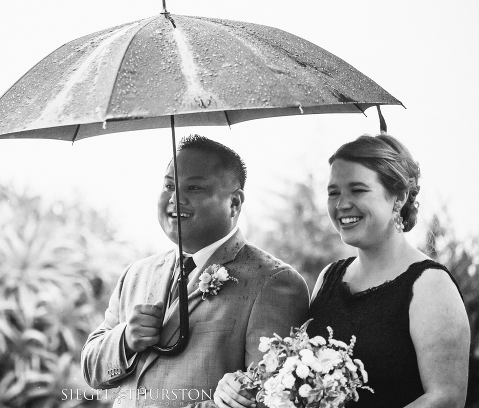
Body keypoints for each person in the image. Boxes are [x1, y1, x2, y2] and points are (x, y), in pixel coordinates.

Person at [212, 133, 470, 408]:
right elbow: (296, 379)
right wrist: (241, 385)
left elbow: (446, 398)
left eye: (357, 190)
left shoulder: (430, 285)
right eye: (333, 192)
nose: (341, 204)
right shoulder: (330, 277)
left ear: (399, 197)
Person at [81, 135, 309, 407]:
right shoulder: (136, 275)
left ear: (234, 203)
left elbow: (272, 398)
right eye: (168, 185)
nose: (175, 198)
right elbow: (91, 372)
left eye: (195, 188)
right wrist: (126, 340)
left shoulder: (273, 283)